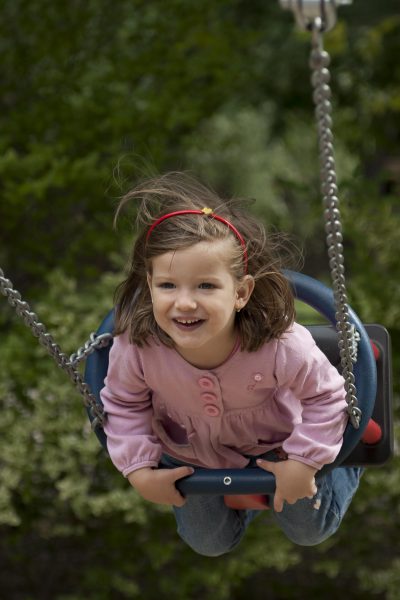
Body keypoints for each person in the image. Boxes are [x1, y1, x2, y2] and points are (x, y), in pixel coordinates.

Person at [100, 171, 363, 555]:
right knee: (207, 543)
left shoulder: (280, 344)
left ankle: (339, 469)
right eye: (168, 286)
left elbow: (326, 398)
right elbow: (124, 404)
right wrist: (138, 467)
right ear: (149, 287)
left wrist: (305, 462)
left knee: (309, 529)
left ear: (240, 292)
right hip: (192, 452)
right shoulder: (138, 347)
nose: (185, 302)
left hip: (281, 444)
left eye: (205, 286)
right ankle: (246, 502)